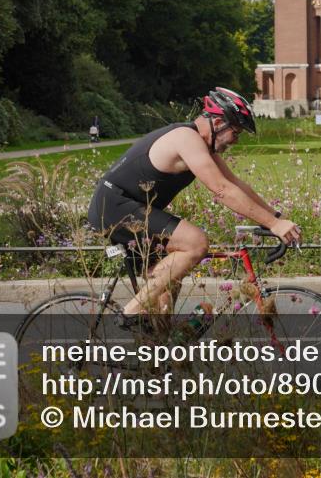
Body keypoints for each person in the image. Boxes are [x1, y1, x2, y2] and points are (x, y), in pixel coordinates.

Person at [87, 87, 300, 330]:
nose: (236, 140)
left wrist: (276, 218)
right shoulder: (186, 139)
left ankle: (157, 356)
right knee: (195, 242)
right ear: (218, 122)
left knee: (166, 292)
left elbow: (236, 185)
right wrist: (274, 224)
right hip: (114, 206)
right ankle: (131, 312)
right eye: (236, 132)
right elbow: (222, 190)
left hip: (132, 209)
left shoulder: (200, 143)